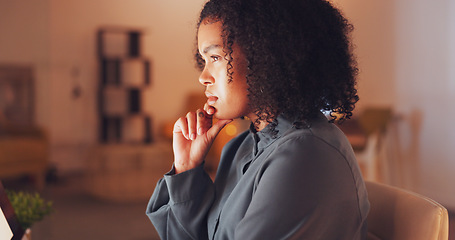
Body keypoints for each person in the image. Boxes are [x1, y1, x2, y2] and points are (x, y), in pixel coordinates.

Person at [146, 0, 370, 239]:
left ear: (267, 55)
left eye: (216, 58)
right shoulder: (240, 146)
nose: (203, 77)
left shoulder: (304, 153)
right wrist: (186, 168)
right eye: (204, 60)